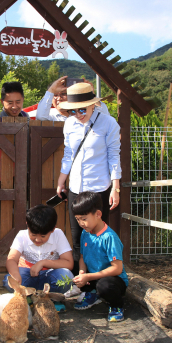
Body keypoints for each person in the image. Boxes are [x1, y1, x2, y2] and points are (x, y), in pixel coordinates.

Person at [55, 82, 121, 271]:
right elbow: (68, 154)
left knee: (98, 236)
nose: (78, 114)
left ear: (94, 104)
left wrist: (115, 188)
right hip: (76, 187)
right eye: (73, 111)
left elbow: (114, 156)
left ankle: (99, 280)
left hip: (99, 188)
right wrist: (61, 181)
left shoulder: (109, 124)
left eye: (82, 109)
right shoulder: (69, 124)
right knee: (78, 238)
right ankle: (80, 283)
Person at [71, 191, 129, 322]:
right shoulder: (85, 233)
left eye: (84, 219)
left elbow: (117, 269)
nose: (80, 223)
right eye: (78, 219)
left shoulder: (110, 237)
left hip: (113, 280)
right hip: (94, 276)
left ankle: (116, 305)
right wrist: (81, 273)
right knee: (72, 267)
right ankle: (92, 293)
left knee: (105, 286)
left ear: (98, 214)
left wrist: (88, 276)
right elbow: (82, 257)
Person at [4, 205, 75, 298]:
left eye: (43, 236)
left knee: (67, 277)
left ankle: (45, 297)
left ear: (53, 229)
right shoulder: (22, 235)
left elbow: (69, 263)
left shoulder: (58, 234)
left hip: (50, 275)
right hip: (28, 275)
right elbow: (11, 259)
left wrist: (43, 263)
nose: (37, 239)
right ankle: (32, 296)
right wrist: (16, 275)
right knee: (8, 280)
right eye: (33, 235)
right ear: (27, 226)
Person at [36, 76, 109, 121]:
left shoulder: (82, 114)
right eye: (55, 95)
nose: (59, 98)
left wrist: (90, 95)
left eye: (63, 94)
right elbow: (40, 117)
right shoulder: (50, 115)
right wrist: (51, 90)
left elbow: (104, 118)